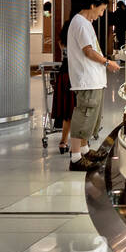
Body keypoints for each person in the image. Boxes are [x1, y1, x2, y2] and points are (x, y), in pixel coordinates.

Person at [66, 0, 120, 171]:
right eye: (102, 9)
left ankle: (84, 150)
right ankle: (75, 158)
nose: (102, 14)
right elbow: (88, 51)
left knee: (91, 118)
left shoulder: (84, 23)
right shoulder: (80, 23)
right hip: (86, 80)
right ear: (92, 5)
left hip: (93, 80)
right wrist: (107, 62)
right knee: (84, 116)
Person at [52, 15, 76, 154]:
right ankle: (76, 144)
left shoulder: (62, 41)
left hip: (63, 75)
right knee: (75, 111)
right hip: (73, 77)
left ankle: (63, 142)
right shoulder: (76, 40)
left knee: (67, 112)